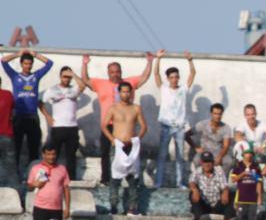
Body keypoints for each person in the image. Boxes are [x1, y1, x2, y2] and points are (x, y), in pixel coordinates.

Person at [83, 52, 154, 186]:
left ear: (121, 72)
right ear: (108, 73)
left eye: (117, 71)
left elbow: (144, 77)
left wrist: (150, 62)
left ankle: (129, 179)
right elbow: (86, 80)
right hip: (107, 125)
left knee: (127, 153)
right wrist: (85, 64)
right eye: (112, 72)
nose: (115, 74)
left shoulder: (128, 83)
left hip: (125, 125)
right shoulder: (100, 83)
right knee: (105, 152)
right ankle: (106, 179)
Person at [2, 50, 53, 175]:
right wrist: (18, 54)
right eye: (25, 63)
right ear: (21, 64)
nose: (28, 66)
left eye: (30, 64)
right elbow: (3, 61)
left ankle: (33, 174)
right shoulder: (15, 76)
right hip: (18, 116)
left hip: (32, 116)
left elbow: (49, 63)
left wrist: (35, 54)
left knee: (34, 147)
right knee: (16, 147)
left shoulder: (36, 76)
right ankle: (15, 174)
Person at [102, 81, 147, 215]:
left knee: (133, 179)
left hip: (131, 146)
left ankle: (132, 208)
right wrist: (112, 140)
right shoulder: (113, 108)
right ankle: (114, 208)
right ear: (119, 93)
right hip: (117, 146)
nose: (126, 94)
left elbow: (144, 126)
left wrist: (137, 139)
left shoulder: (136, 108)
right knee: (115, 179)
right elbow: (104, 125)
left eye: (128, 91)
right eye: (123, 91)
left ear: (131, 93)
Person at [153, 51, 195, 189]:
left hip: (179, 127)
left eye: (176, 77)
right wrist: (158, 59)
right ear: (168, 78)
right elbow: (156, 75)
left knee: (180, 157)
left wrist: (190, 60)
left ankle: (180, 182)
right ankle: (158, 182)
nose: (174, 79)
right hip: (166, 126)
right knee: (162, 156)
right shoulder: (163, 89)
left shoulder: (183, 89)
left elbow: (192, 75)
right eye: (172, 77)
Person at [40, 65, 88, 178]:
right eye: (64, 76)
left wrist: (74, 74)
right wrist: (47, 116)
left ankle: (70, 180)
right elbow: (40, 102)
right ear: (60, 76)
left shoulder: (74, 89)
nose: (66, 79)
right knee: (52, 154)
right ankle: (50, 177)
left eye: (68, 77)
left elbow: (83, 85)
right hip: (58, 127)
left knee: (71, 156)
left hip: (72, 127)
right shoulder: (52, 90)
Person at [27, 142, 70, 220]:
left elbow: (66, 189)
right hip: (40, 207)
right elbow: (29, 187)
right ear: (43, 154)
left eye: (53, 154)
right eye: (48, 154)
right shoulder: (36, 168)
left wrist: (67, 208)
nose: (51, 157)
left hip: (56, 208)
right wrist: (35, 184)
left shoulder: (62, 169)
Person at [185, 102, 233, 174]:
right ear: (211, 114)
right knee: (196, 161)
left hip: (218, 152)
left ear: (222, 114)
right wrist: (195, 147)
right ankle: (200, 181)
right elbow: (186, 135)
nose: (217, 116)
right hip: (205, 151)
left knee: (229, 162)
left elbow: (226, 146)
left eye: (219, 114)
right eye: (215, 113)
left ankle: (221, 180)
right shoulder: (203, 124)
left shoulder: (226, 127)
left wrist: (220, 156)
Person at [189, 151, 233, 220]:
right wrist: (195, 190)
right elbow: (192, 181)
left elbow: (224, 185)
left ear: (213, 162)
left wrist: (225, 191)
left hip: (217, 205)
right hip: (204, 205)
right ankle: (198, 219)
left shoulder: (219, 171)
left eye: (209, 161)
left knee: (229, 193)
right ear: (201, 163)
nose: (207, 164)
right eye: (205, 162)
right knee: (192, 193)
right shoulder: (197, 171)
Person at [229, 155, 263, 220]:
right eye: (247, 153)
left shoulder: (256, 167)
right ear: (243, 155)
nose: (249, 155)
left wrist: (259, 197)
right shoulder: (238, 166)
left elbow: (258, 182)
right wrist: (243, 173)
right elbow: (234, 179)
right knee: (240, 219)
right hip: (241, 198)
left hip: (253, 199)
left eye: (250, 154)